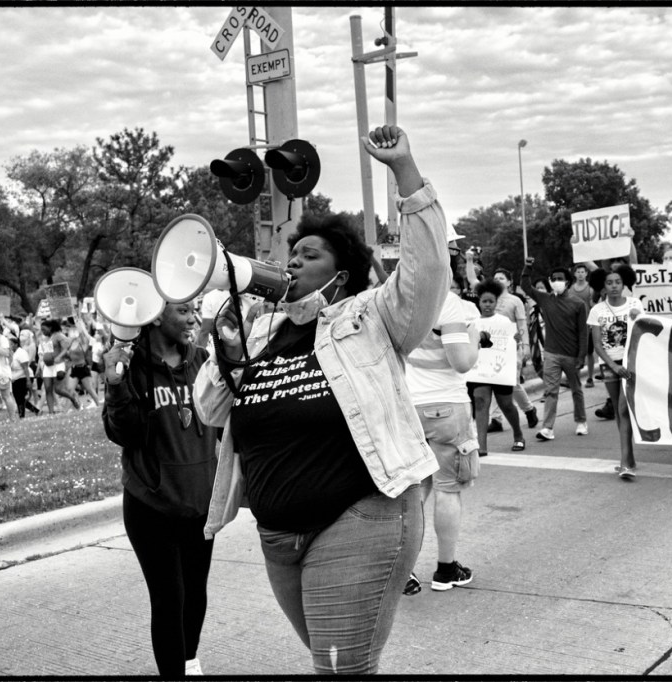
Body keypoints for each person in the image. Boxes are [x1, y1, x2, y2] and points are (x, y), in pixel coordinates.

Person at [193, 125, 448, 675]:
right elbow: (210, 411)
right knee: (337, 664)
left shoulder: (371, 318)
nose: (293, 262)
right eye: (291, 254)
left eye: (309, 255)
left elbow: (426, 270)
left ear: (342, 275)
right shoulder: (262, 332)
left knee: (340, 667)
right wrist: (228, 351)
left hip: (361, 517)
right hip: (278, 536)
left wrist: (404, 171)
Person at [102, 299, 218, 677]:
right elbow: (123, 433)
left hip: (200, 501)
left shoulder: (203, 360)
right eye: (183, 311)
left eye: (195, 310)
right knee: (170, 598)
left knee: (195, 592)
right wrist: (116, 384)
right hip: (150, 504)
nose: (193, 318)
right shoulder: (130, 365)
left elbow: (223, 419)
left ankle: (189, 661)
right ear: (155, 316)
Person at [403, 240, 481, 596]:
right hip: (447, 405)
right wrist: (474, 339)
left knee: (415, 493)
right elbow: (461, 362)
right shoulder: (450, 305)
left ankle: (404, 571)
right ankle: (446, 569)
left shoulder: (404, 301)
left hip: (409, 406)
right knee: (448, 490)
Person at [587, 265, 643, 480]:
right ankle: (629, 458)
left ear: (624, 283)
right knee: (620, 414)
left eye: (618, 282)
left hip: (630, 363)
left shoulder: (635, 304)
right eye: (609, 283)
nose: (614, 286)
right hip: (609, 365)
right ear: (603, 286)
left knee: (622, 409)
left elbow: (642, 332)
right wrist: (613, 365)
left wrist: (638, 318)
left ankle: (625, 464)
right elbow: (597, 344)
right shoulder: (597, 310)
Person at [520, 264, 588, 440]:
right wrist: (528, 268)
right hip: (551, 354)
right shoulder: (546, 299)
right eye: (553, 279)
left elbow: (583, 332)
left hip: (572, 355)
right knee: (551, 391)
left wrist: (581, 356)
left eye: (560, 279)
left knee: (576, 389)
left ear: (568, 282)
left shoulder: (578, 304)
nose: (557, 281)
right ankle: (547, 428)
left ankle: (581, 421)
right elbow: (526, 287)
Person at [469, 278, 525, 455]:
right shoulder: (472, 323)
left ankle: (518, 435)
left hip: (501, 371)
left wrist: (516, 341)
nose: (487, 305)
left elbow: (512, 344)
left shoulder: (504, 322)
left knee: (506, 404)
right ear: (479, 302)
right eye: (484, 301)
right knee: (480, 402)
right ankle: (481, 446)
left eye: (491, 301)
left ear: (496, 303)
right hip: (479, 371)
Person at [487, 268, 539, 431]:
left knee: (511, 382)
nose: (497, 280)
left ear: (509, 282)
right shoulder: (489, 300)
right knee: (494, 382)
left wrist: (526, 345)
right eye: (495, 278)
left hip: (512, 346)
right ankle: (496, 419)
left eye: (501, 278)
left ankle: (529, 409)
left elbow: (522, 324)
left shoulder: (515, 300)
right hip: (493, 347)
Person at [38, 319, 81, 414]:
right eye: (41, 330)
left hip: (58, 365)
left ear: (50, 328)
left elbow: (67, 346)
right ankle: (51, 412)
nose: (43, 332)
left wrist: (59, 356)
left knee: (58, 389)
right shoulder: (48, 338)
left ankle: (72, 398)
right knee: (48, 389)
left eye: (44, 329)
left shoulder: (58, 335)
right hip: (47, 366)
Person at [569, 263, 601, 386]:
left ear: (586, 274)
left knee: (589, 352)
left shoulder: (591, 288)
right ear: (574, 274)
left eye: (583, 272)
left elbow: (594, 305)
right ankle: (576, 378)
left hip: (589, 325)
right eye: (578, 272)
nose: (580, 274)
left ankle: (590, 378)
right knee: (576, 352)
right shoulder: (570, 289)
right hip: (575, 325)